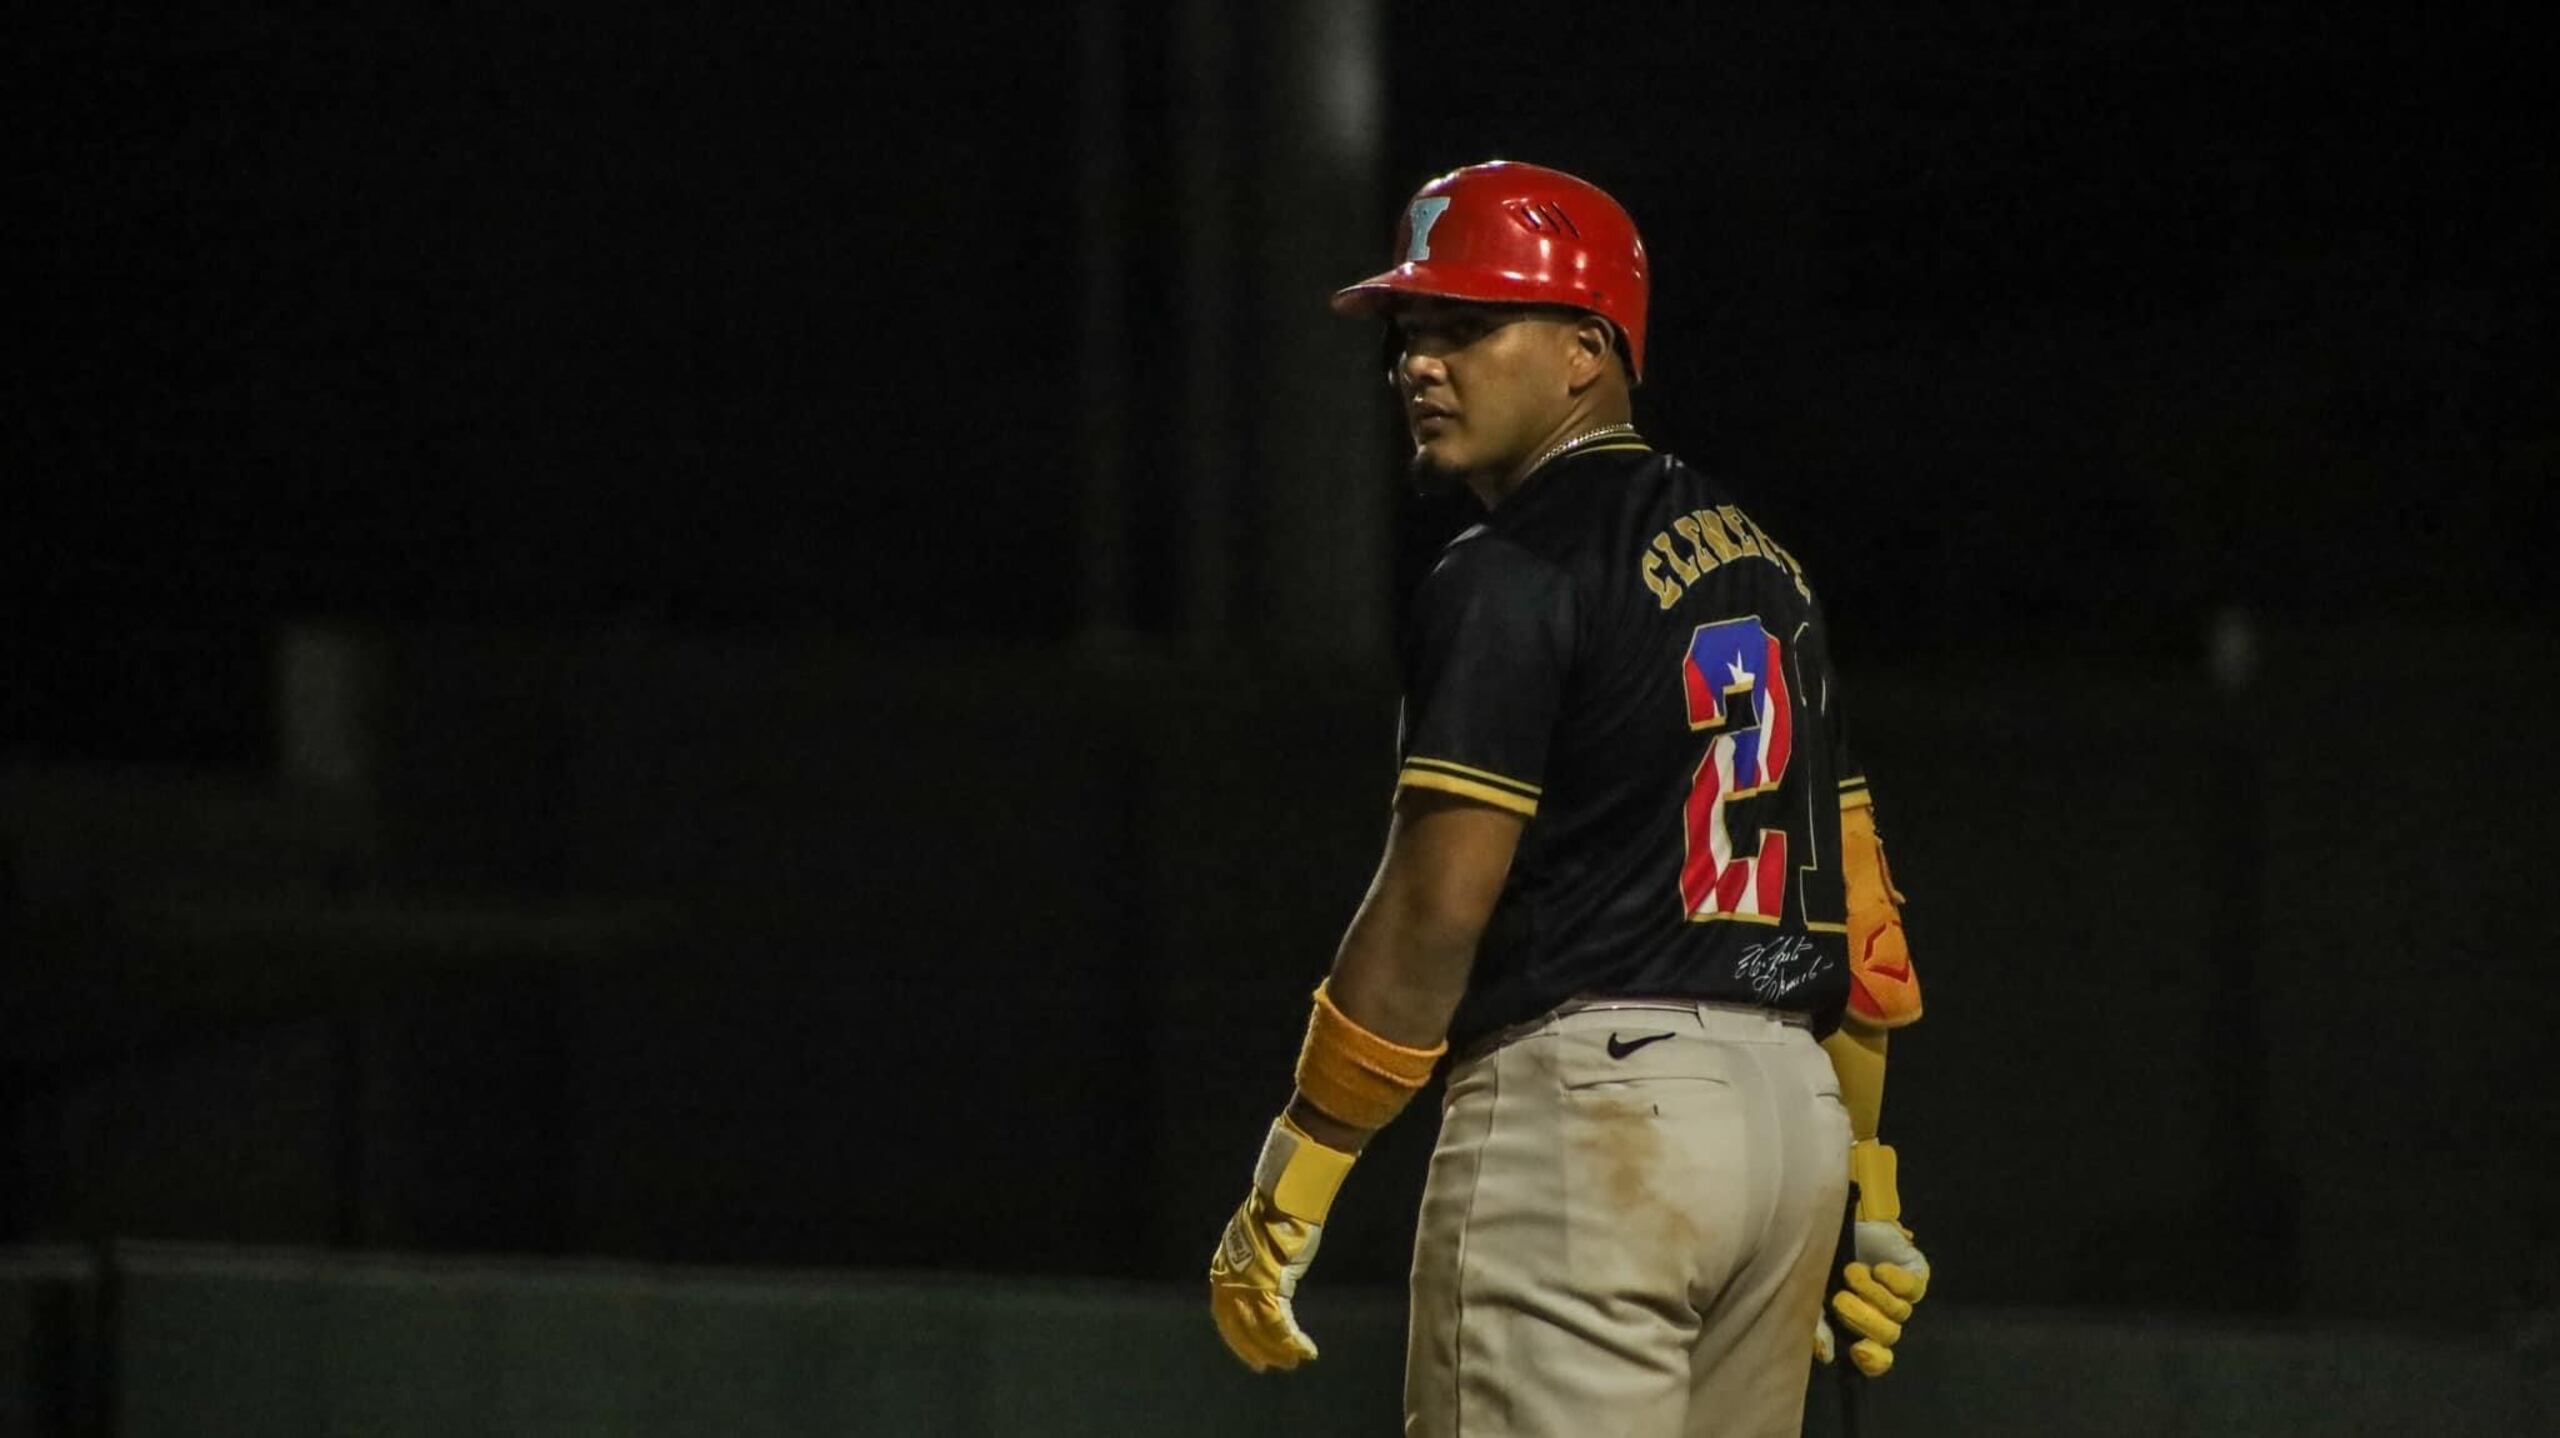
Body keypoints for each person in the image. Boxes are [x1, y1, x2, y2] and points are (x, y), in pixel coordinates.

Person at [1206, 159, 1933, 1437]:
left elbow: (1434, 910)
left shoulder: (1510, 568)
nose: (1419, 364)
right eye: (1411, 332)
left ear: (1587, 349)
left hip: (1594, 1126)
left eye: (1469, 326)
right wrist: (1866, 1185)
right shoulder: (1771, 569)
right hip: (1787, 1125)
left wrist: (1296, 1169)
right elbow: (1861, 924)